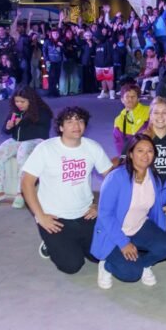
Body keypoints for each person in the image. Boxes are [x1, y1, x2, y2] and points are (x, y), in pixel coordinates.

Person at [21, 106, 113, 274]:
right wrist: (40, 216)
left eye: (80, 121)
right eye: (69, 121)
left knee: (99, 255)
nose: (76, 125)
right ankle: (50, 243)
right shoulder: (46, 149)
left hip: (85, 214)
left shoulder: (92, 147)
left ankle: (70, 242)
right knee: (72, 265)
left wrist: (100, 206)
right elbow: (27, 183)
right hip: (55, 217)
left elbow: (113, 180)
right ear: (61, 127)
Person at [91, 134, 166, 289]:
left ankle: (143, 264)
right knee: (131, 274)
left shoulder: (153, 177)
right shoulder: (116, 177)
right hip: (114, 232)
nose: (145, 155)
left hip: (139, 227)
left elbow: (157, 201)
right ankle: (106, 265)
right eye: (140, 150)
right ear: (130, 153)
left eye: (150, 151)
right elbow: (105, 214)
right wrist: (123, 243)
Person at [0, 86, 53, 208]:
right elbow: (6, 131)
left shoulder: (42, 111)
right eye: (17, 101)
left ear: (31, 100)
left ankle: (21, 193)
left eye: (22, 101)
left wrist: (22, 122)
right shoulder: (15, 111)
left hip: (35, 140)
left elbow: (39, 127)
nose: (19, 104)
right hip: (17, 140)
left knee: (22, 156)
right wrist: (8, 127)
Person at [112, 84, 150, 156]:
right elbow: (119, 143)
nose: (130, 99)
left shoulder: (149, 111)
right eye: (127, 97)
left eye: (133, 96)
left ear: (138, 99)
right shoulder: (118, 120)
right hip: (130, 153)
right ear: (122, 100)